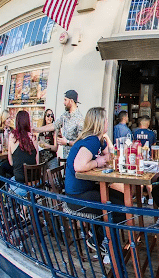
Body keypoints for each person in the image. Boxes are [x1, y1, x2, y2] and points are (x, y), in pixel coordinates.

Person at [64, 107, 124, 250]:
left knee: (121, 199)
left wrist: (107, 138)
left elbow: (111, 155)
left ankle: (98, 233)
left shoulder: (97, 139)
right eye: (106, 120)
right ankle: (100, 241)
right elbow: (79, 165)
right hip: (77, 196)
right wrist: (97, 162)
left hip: (86, 189)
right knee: (118, 208)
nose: (108, 123)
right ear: (100, 122)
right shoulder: (91, 141)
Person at [33, 90, 84, 158]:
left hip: (76, 158)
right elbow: (54, 125)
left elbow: (81, 143)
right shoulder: (65, 115)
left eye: (65, 100)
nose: (64, 102)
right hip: (66, 157)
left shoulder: (79, 119)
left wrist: (67, 142)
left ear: (71, 101)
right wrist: (36, 129)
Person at [7, 111, 39, 197]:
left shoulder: (12, 136)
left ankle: (23, 206)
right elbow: (37, 162)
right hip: (35, 185)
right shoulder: (33, 137)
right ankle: (26, 206)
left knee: (9, 180)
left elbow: (11, 162)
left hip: (20, 187)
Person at [0, 109, 14, 179]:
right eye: (7, 118)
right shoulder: (0, 131)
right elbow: (1, 146)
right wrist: (6, 136)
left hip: (12, 158)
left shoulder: (12, 130)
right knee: (2, 167)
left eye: (9, 118)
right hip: (3, 159)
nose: (9, 120)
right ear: (3, 120)